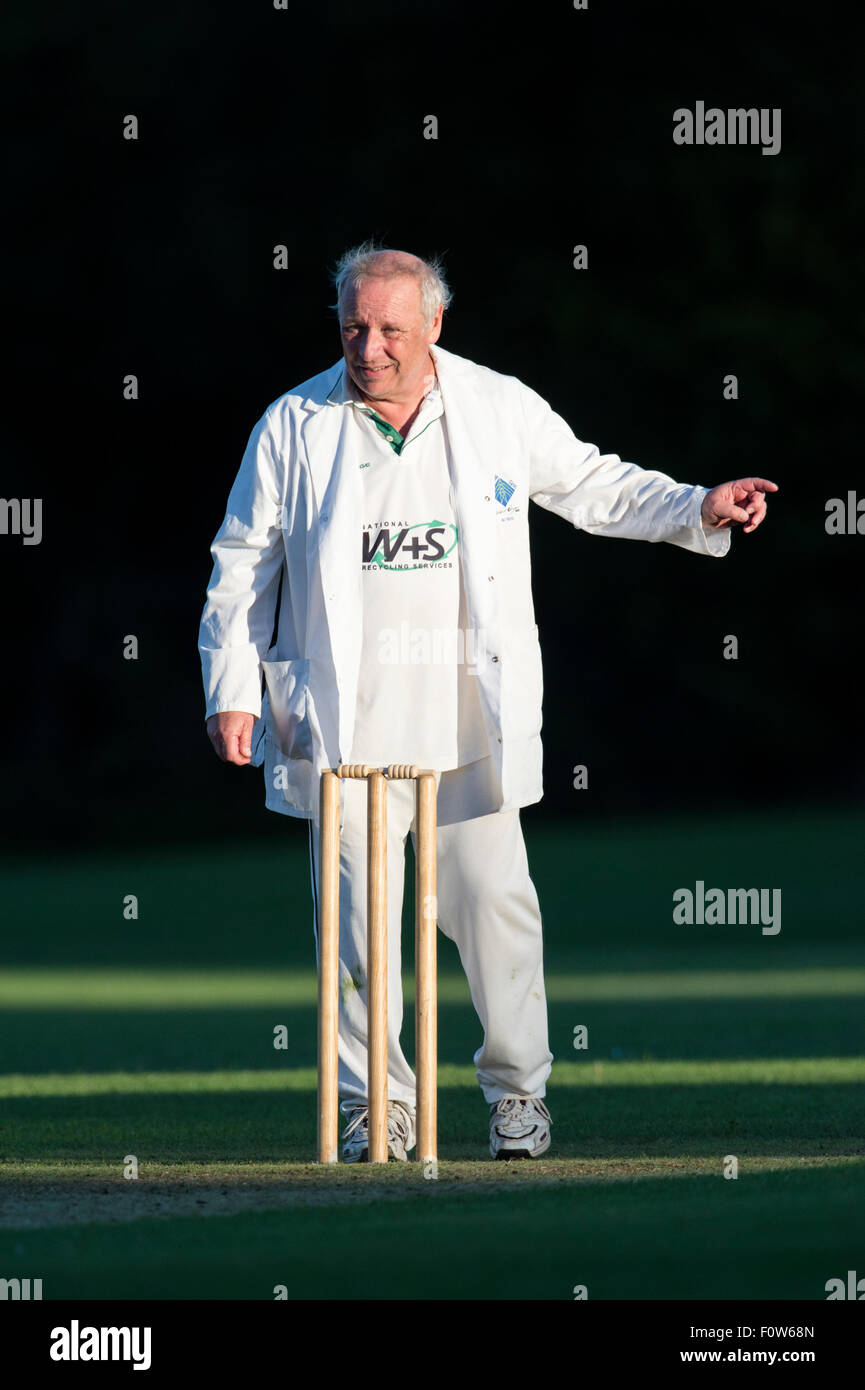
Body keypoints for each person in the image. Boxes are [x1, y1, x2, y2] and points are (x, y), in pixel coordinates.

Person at [199, 243, 777, 1162]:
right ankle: (372, 1107)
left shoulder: (496, 405)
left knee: (499, 911)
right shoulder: (293, 423)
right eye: (354, 326)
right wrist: (230, 691)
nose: (371, 346)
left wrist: (696, 506)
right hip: (344, 727)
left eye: (392, 328)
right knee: (353, 936)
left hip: (465, 721)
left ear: (434, 323)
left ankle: (517, 1096)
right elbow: (242, 563)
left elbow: (590, 482)